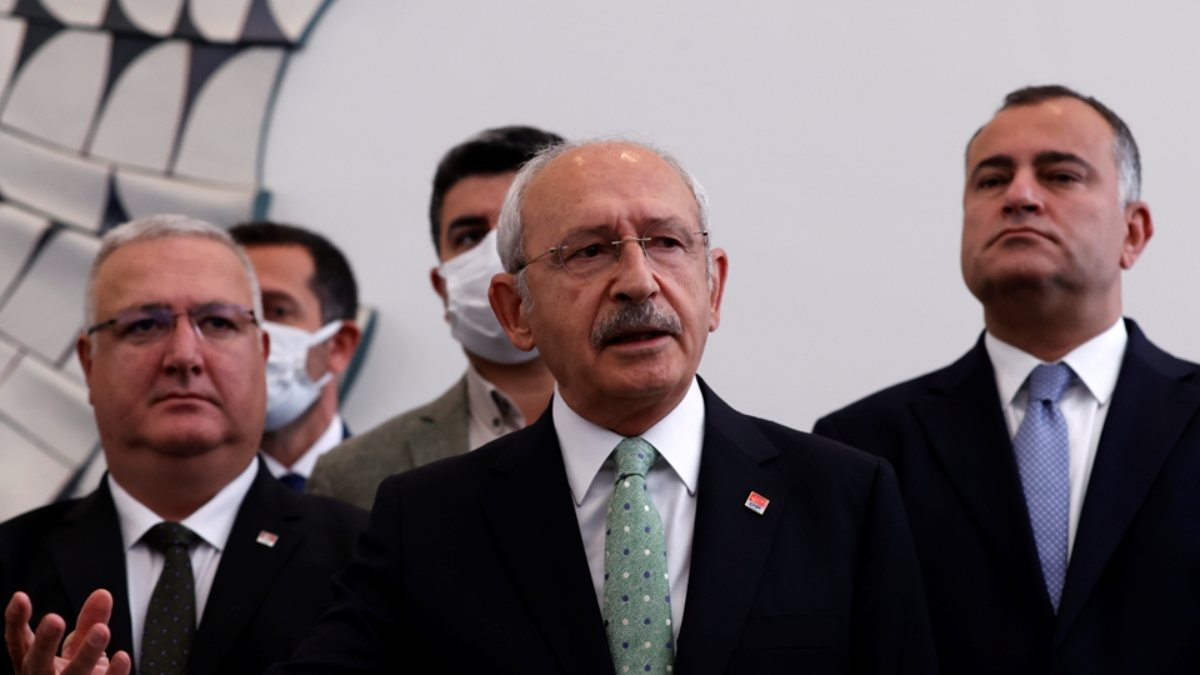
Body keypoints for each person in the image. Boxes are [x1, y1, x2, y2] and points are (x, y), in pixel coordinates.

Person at [269, 139, 936, 673]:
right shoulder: (426, 519)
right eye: (589, 251)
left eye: (667, 243)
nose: (639, 282)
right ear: (516, 311)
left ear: (714, 287)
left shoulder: (844, 497)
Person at [813, 85, 1200, 674]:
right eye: (992, 180)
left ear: (1133, 231)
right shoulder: (860, 448)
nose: (1019, 196)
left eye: (1060, 176)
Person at [1, 215, 366, 675]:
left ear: (262, 352)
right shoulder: (10, 564)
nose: (184, 356)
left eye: (217, 322)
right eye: (143, 326)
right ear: (90, 363)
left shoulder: (367, 562)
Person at [308, 125, 562, 509]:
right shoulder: (351, 474)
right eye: (469, 236)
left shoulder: (649, 430)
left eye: (518, 230)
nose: (496, 257)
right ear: (443, 288)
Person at [228, 221, 363, 491]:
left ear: (338, 345)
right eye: (222, 317)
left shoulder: (393, 493)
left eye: (277, 311)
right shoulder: (165, 492)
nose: (250, 332)